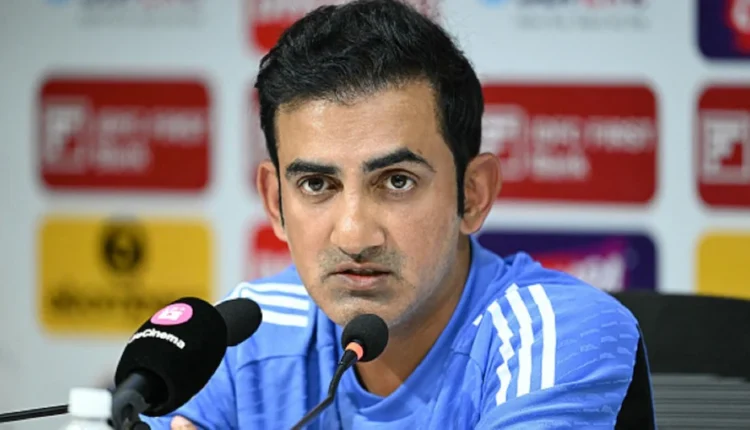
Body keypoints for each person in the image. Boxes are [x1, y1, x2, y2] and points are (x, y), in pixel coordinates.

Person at [141, 0, 653, 428]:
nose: (354, 235)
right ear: (275, 202)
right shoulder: (247, 336)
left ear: (473, 195)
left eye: (397, 181)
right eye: (317, 184)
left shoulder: (557, 332)